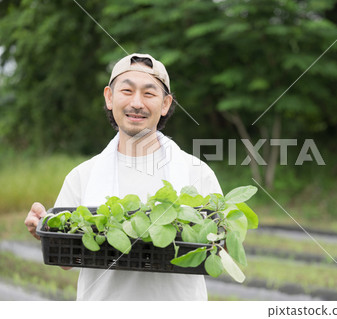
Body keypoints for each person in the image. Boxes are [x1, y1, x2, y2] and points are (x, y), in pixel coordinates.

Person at [24, 53, 222, 301]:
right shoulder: (82, 176)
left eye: (149, 94)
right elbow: (68, 261)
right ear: (109, 97)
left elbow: (219, 252)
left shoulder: (197, 174)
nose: (137, 103)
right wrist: (45, 232)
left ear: (165, 104)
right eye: (127, 91)